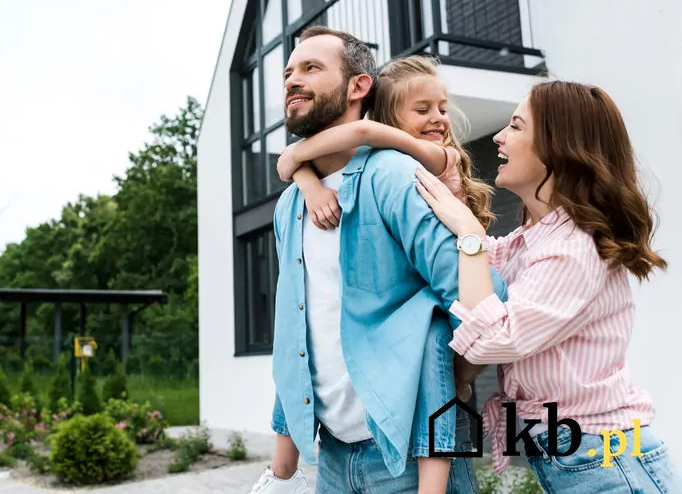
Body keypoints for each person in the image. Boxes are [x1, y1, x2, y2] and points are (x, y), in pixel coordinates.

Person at [249, 25, 507, 494]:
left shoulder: (395, 176)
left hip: (410, 463)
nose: (291, 79)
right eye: (288, 71)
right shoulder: (290, 205)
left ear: (358, 86)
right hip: (331, 459)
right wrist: (281, 467)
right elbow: (297, 334)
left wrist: (455, 382)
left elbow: (476, 296)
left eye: (310, 68)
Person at [413, 80, 680, 493]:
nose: (500, 137)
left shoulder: (573, 247)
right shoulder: (538, 235)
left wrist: (466, 229)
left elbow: (491, 339)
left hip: (606, 461)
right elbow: (488, 262)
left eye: (516, 126)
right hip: (584, 455)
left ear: (559, 147)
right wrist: (453, 202)